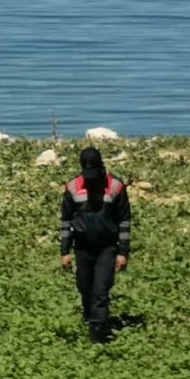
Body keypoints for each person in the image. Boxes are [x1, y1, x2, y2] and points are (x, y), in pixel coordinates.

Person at [59, 146, 131, 343]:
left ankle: (98, 332)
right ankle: (88, 316)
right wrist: (64, 251)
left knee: (101, 288)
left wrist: (123, 252)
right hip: (82, 246)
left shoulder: (116, 186)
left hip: (107, 247)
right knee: (85, 287)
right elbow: (66, 220)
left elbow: (124, 221)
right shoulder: (72, 186)